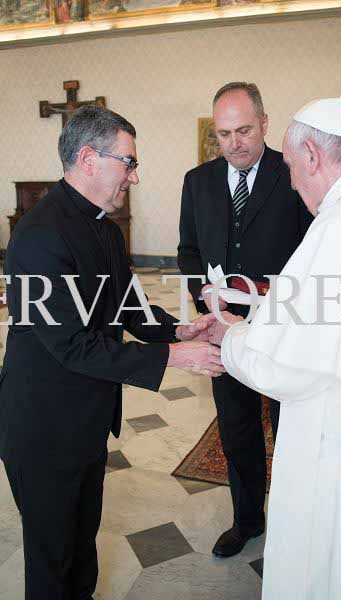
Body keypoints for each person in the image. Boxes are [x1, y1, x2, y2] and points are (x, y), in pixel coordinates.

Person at [0, 105, 223, 600]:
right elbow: (74, 345)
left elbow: (127, 305)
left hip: (85, 417)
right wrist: (175, 358)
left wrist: (179, 330)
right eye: (129, 162)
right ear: (88, 159)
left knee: (82, 544)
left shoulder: (103, 226)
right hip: (43, 427)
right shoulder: (38, 237)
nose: (134, 177)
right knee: (52, 560)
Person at [209, 96, 341, 599]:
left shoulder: (339, 225)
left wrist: (229, 337)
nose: (293, 183)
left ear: (312, 156)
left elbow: (282, 367)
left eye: (293, 168)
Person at [178, 81, 312, 557]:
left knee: (289, 428)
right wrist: (206, 298)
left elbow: (311, 255)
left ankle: (296, 525)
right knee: (236, 429)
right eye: (224, 133)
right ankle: (247, 521)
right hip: (222, 330)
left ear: (265, 123)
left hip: (283, 330)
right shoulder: (197, 181)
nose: (234, 143)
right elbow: (188, 252)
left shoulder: (292, 174)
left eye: (244, 131)